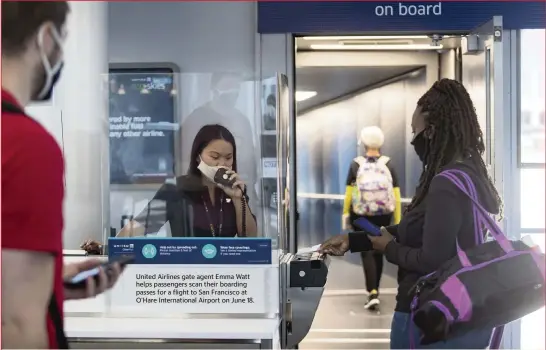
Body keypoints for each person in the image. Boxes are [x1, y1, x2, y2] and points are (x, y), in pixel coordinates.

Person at [320, 79, 500, 349]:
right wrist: (353, 241)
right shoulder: (469, 174)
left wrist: (389, 248)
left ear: (432, 131)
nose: (412, 139)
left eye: (415, 130)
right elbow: (418, 231)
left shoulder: (444, 183)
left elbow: (431, 259)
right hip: (460, 312)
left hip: (428, 316)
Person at [1, 2, 123, 348]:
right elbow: (17, 323)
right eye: (63, 38)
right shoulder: (26, 145)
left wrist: (50, 286)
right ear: (46, 37)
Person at [116, 124, 258, 238]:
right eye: (215, 157)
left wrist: (238, 199)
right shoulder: (176, 189)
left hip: (229, 270)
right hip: (186, 269)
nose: (222, 164)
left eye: (228, 158)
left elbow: (250, 239)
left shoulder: (235, 191)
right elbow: (133, 231)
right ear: (198, 157)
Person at [342, 126, 401, 311]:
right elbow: (396, 194)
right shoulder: (388, 164)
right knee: (379, 249)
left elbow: (349, 194)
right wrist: (397, 219)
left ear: (364, 143)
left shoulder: (356, 164)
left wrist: (346, 214)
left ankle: (372, 291)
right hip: (384, 214)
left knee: (366, 251)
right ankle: (377, 291)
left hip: (361, 215)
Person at [180, 72, 257, 208]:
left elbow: (250, 158)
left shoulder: (242, 121)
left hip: (236, 191)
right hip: (202, 196)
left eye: (236, 87)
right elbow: (185, 160)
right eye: (228, 86)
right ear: (213, 89)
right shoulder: (195, 119)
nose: (232, 92)